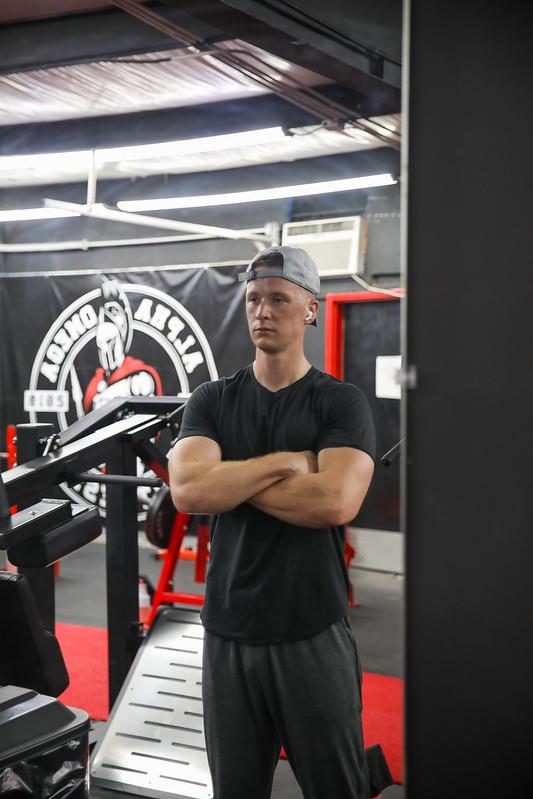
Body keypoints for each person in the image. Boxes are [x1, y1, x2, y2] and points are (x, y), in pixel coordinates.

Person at [169, 245, 376, 799]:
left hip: (311, 629)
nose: (262, 311)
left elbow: (334, 501)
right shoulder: (212, 399)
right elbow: (187, 490)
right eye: (254, 299)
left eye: (279, 299)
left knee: (337, 788)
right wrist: (286, 464)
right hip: (228, 631)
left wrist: (231, 481)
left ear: (310, 310)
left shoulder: (340, 403)